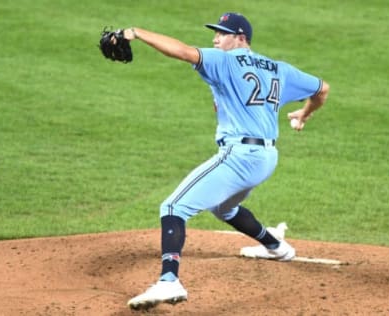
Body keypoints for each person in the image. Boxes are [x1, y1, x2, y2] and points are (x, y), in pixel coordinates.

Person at [123, 12, 330, 310]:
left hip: (240, 156)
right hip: (267, 157)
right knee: (224, 208)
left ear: (240, 38)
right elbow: (322, 89)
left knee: (172, 207)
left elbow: (182, 51)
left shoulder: (225, 60)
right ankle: (276, 247)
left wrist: (136, 32)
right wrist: (303, 114)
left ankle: (169, 281)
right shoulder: (278, 68)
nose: (215, 39)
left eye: (222, 34)